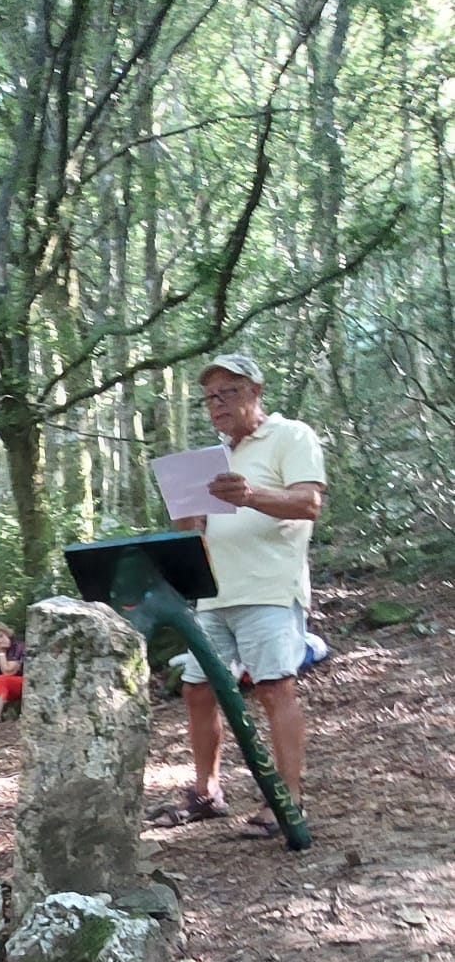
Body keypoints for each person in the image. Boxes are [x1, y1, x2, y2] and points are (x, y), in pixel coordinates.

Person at [164, 351, 326, 839]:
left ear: (256, 392)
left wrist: (251, 495)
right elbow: (188, 527)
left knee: (274, 687)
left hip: (269, 589)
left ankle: (287, 799)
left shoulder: (291, 435)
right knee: (197, 688)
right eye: (211, 396)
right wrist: (188, 520)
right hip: (213, 593)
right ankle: (206, 791)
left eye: (229, 392)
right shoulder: (213, 457)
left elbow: (309, 503)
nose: (218, 404)